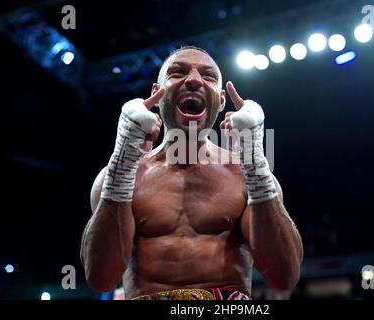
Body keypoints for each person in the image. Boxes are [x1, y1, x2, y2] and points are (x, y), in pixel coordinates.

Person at [80, 46, 303, 300]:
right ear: (156, 93)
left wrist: (255, 164)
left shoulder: (247, 176)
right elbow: (101, 277)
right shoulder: (120, 176)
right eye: (177, 72)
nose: (194, 80)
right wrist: (122, 166)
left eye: (208, 75)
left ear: (220, 101)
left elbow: (283, 276)